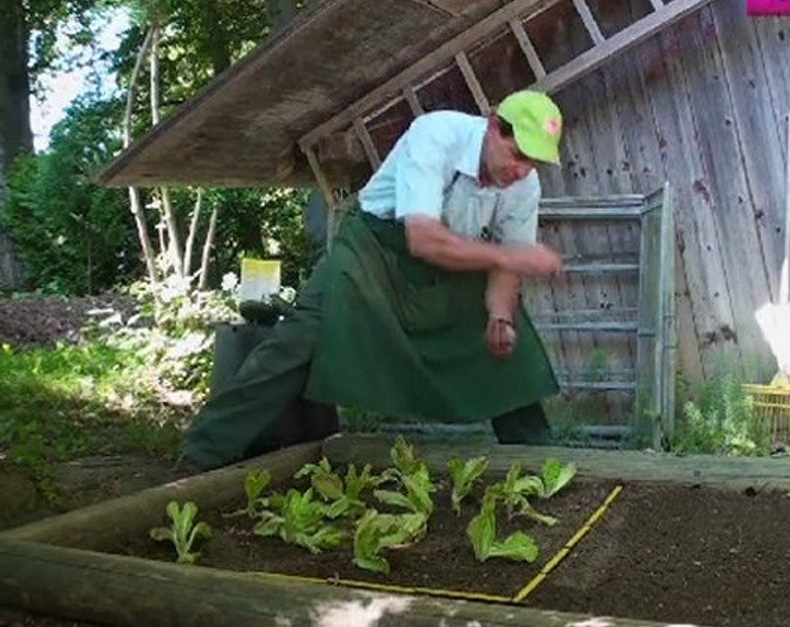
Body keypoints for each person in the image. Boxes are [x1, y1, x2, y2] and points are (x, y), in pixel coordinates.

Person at [182, 90, 566, 470]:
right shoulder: (436, 135)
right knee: (305, 335)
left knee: (512, 348)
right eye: (517, 155)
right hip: (375, 245)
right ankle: (204, 453)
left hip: (453, 259)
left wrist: (499, 315)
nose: (520, 170)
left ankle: (542, 464)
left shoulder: (523, 185)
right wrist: (508, 256)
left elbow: (508, 267)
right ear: (495, 126)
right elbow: (424, 239)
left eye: (532, 163)